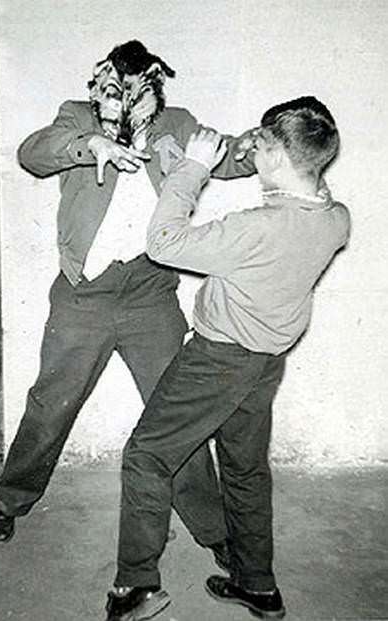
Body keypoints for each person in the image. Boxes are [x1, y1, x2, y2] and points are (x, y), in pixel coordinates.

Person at [0, 39, 256, 563]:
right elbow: (32, 153)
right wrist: (91, 145)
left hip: (151, 293)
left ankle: (213, 527)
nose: (129, 97)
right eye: (117, 88)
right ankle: (8, 500)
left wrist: (266, 144)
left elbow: (225, 156)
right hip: (83, 295)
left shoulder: (175, 122)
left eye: (142, 88)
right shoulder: (76, 116)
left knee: (177, 411)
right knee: (51, 403)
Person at [105, 96, 350, 621]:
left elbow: (163, 242)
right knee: (244, 469)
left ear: (282, 158)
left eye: (261, 144)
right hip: (265, 364)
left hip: (216, 361)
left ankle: (136, 587)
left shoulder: (255, 228)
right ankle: (257, 585)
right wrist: (245, 147)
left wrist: (193, 169)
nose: (252, 150)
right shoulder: (335, 219)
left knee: (147, 456)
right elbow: (303, 182)